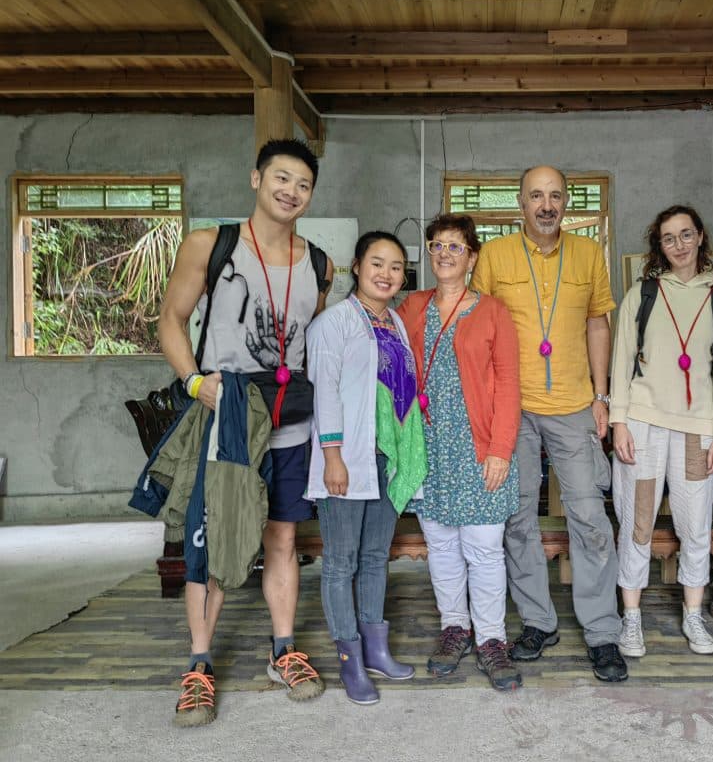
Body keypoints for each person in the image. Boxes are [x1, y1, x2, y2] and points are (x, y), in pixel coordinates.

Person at [157, 138, 330, 727]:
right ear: (257, 179)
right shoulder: (212, 244)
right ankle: (199, 665)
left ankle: (283, 651)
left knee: (283, 537)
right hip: (228, 412)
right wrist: (193, 382)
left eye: (303, 184)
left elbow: (311, 342)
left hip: (290, 417)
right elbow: (171, 320)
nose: (291, 191)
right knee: (213, 542)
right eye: (281, 178)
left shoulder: (319, 263)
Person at [471, 165, 627, 682]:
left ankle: (602, 631)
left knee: (590, 519)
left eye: (555, 196)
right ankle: (538, 621)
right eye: (536, 196)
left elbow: (597, 323)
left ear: (566, 202)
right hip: (510, 409)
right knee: (517, 519)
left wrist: (602, 396)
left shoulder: (588, 253)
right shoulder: (493, 256)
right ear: (520, 203)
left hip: (575, 404)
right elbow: (478, 328)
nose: (546, 205)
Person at [609, 205, 713, 658]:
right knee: (636, 524)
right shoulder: (643, 294)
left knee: (695, 525)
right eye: (669, 238)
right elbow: (621, 361)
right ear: (659, 245)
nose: (679, 244)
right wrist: (619, 422)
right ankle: (631, 618)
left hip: (697, 430)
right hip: (642, 424)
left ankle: (693, 614)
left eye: (686, 234)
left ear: (700, 236)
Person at [396, 213, 523, 691]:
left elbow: (509, 383)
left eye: (455, 246)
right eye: (437, 245)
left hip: (479, 446)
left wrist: (501, 449)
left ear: (472, 258)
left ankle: (491, 638)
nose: (444, 254)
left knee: (484, 548)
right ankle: (455, 627)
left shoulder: (493, 311)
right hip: (428, 445)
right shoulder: (413, 306)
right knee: (442, 545)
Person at [305, 231, 427, 705]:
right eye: (377, 263)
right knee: (341, 563)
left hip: (383, 458)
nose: (386, 274)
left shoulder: (394, 322)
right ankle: (350, 661)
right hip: (346, 457)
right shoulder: (333, 323)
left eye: (396, 267)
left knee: (376, 557)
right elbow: (325, 393)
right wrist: (333, 456)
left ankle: (376, 651)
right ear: (356, 267)